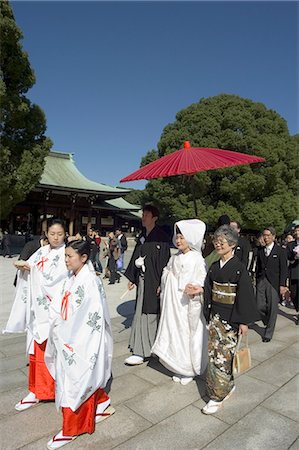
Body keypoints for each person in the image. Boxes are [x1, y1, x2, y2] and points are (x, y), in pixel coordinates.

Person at [45, 240, 114, 449]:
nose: (65, 260)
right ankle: (101, 403)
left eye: (69, 256)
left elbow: (89, 317)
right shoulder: (72, 276)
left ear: (83, 258)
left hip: (82, 338)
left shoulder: (90, 281)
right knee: (85, 377)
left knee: (75, 381)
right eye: (65, 256)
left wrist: (63, 330)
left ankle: (72, 428)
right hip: (70, 333)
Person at [3, 218, 68, 411]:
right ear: (46, 234)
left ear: (66, 234)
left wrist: (34, 271)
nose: (56, 238)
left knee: (53, 352)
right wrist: (25, 269)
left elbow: (60, 280)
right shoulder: (41, 251)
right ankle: (37, 390)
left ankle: (53, 389)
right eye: (52, 233)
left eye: (59, 234)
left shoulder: (67, 253)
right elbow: (34, 269)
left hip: (54, 312)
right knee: (36, 351)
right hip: (38, 311)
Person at [199, 225, 260, 414]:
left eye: (222, 242)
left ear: (232, 244)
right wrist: (200, 293)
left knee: (223, 357)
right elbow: (209, 289)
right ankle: (226, 387)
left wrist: (243, 322)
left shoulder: (240, 269)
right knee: (214, 355)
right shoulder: (215, 267)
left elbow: (245, 296)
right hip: (216, 315)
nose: (218, 245)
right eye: (216, 241)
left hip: (231, 318)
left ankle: (217, 396)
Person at [152, 219, 208, 385]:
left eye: (182, 238)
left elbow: (202, 278)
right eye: (177, 238)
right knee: (174, 332)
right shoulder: (174, 257)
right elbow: (167, 273)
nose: (178, 241)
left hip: (188, 302)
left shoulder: (197, 258)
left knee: (187, 332)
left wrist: (195, 288)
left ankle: (190, 368)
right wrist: (166, 280)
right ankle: (179, 366)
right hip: (174, 303)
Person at [124, 205, 170, 365]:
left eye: (147, 214)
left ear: (155, 217)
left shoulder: (161, 237)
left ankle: (148, 349)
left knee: (151, 313)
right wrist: (133, 276)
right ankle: (141, 347)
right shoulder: (143, 236)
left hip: (155, 282)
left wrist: (162, 283)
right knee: (140, 311)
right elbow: (137, 255)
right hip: (143, 280)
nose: (143, 217)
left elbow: (165, 263)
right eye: (143, 214)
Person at [256, 227, 288, 342]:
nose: (266, 237)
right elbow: (258, 267)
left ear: (274, 237)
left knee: (273, 307)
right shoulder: (260, 250)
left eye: (268, 235)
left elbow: (284, 269)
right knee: (259, 305)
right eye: (264, 235)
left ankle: (268, 333)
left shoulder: (280, 251)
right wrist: (257, 280)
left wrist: (283, 285)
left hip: (274, 282)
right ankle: (266, 320)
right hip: (261, 281)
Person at [286, 225, 299, 324]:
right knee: (294, 294)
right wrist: (295, 257)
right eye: (296, 231)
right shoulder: (291, 245)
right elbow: (288, 257)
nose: (297, 232)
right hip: (294, 272)